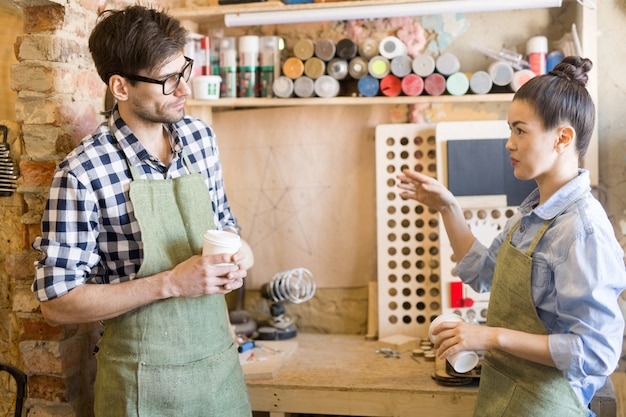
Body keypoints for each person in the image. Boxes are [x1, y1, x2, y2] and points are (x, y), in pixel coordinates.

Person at [31, 5, 252, 416]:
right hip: (141, 386)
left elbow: (227, 226)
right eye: (169, 80)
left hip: (219, 371)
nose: (185, 88)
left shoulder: (201, 139)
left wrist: (241, 258)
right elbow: (57, 302)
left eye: (183, 71)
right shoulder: (83, 173)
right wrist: (170, 283)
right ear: (120, 87)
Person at [398, 56, 626, 417]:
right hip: (504, 399)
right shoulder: (531, 214)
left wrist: (489, 336)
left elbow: (598, 352)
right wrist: (447, 207)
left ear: (562, 138)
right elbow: (483, 273)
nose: (508, 143)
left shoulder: (581, 230)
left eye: (520, 130)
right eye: (510, 130)